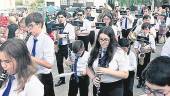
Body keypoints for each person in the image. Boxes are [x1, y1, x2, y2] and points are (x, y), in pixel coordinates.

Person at [87, 26, 129, 96]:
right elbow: (88, 67)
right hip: (99, 85)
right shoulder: (93, 50)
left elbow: (125, 74)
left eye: (106, 39)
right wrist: (93, 78)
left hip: (115, 87)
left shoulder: (119, 52)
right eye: (101, 39)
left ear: (111, 39)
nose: (103, 42)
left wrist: (107, 71)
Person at [25, 12, 55, 96]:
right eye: (28, 26)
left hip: (44, 77)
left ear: (39, 24)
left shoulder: (47, 41)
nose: (28, 29)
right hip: (31, 75)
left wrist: (30, 58)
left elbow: (49, 64)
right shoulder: (30, 38)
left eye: (31, 26)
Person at [55, 10, 75, 87]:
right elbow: (55, 37)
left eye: (62, 17)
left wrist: (63, 36)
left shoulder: (70, 26)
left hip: (67, 46)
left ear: (65, 18)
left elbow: (73, 38)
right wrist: (55, 46)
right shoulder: (56, 26)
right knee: (59, 64)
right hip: (58, 47)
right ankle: (62, 79)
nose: (60, 19)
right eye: (59, 17)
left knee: (70, 63)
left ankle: (75, 75)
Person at [134, 22, 156, 88]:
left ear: (149, 30)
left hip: (147, 54)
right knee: (140, 68)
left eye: (147, 29)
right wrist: (138, 51)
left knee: (146, 68)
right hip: (140, 55)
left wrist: (149, 48)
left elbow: (154, 49)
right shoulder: (139, 36)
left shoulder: (151, 37)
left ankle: (144, 81)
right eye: (144, 29)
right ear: (142, 29)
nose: (145, 30)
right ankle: (140, 81)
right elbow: (135, 46)